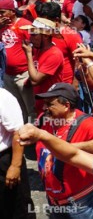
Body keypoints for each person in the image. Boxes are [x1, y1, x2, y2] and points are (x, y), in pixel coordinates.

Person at [33, 83, 93, 218]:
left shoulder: (85, 123)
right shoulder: (44, 119)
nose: (45, 107)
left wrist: (69, 148)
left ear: (66, 106)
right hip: (54, 201)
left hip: (80, 204)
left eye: (50, 104)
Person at [0, 88, 34, 219]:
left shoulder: (3, 97)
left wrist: (15, 166)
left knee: (17, 207)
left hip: (5, 160)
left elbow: (18, 133)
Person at [0, 0, 34, 122]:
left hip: (23, 74)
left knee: (30, 108)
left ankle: (33, 136)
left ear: (12, 11)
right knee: (15, 108)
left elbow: (35, 47)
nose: (0, 15)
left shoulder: (24, 25)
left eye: (2, 12)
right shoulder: (1, 25)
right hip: (7, 75)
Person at [22, 17, 64, 115]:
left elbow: (35, 80)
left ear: (45, 36)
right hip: (39, 102)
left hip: (51, 104)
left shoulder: (54, 54)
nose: (30, 38)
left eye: (34, 34)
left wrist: (28, 54)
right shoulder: (38, 50)